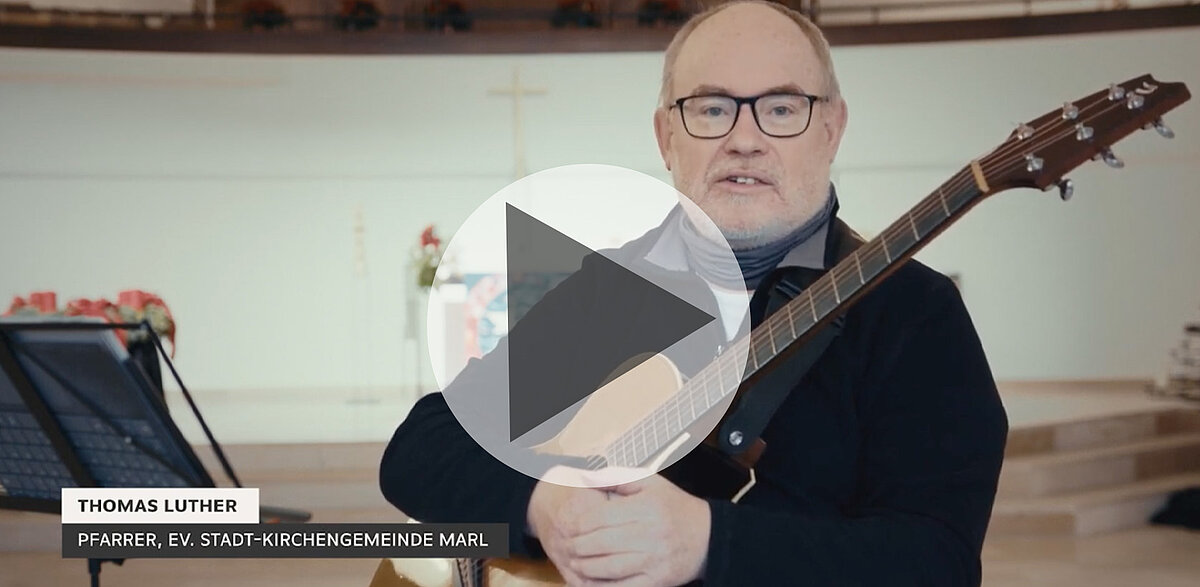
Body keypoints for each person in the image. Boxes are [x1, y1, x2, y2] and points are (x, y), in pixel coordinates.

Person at [380, 2, 1008, 585]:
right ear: (666, 137)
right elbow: (424, 444)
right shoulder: (616, 288)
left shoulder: (913, 312)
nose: (745, 138)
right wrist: (543, 506)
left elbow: (938, 561)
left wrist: (711, 540)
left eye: (783, 109)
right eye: (711, 109)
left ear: (832, 129)